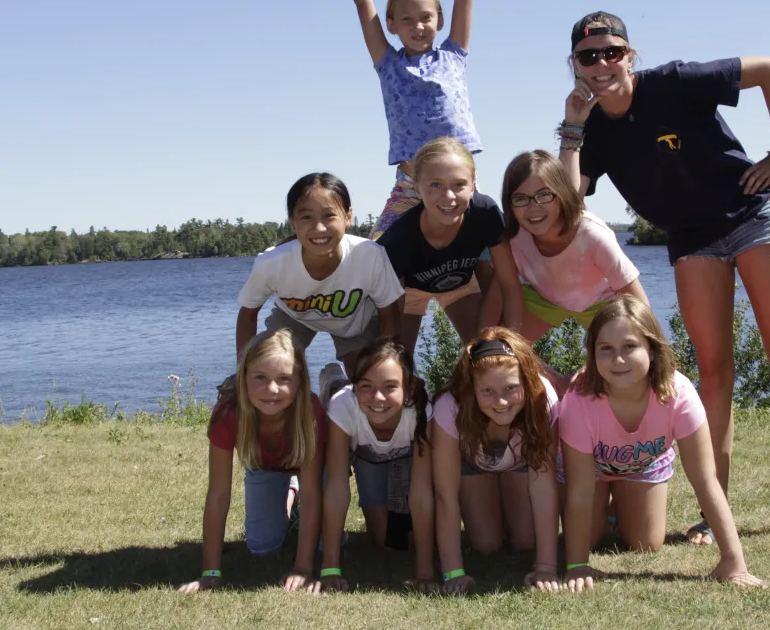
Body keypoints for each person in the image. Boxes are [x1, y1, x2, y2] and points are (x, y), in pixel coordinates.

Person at [557, 10, 770, 541]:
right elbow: (569, 202)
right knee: (713, 370)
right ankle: (718, 509)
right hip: (692, 239)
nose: (601, 64)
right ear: (573, 64)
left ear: (631, 54)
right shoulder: (592, 128)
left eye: (612, 52)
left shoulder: (675, 81)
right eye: (588, 56)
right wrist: (574, 127)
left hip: (751, 215)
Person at [558, 296, 765, 592]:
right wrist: (577, 565)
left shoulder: (678, 393)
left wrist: (734, 562)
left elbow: (706, 480)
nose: (618, 359)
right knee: (586, 539)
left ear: (652, 350)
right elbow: (579, 492)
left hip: (643, 465)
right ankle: (605, 505)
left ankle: (619, 503)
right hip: (589, 471)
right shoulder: (578, 401)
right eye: (606, 349)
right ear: (592, 354)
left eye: (630, 346)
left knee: (647, 544)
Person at [322, 0, 487, 240]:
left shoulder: (453, 55)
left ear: (439, 20)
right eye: (407, 19)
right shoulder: (389, 65)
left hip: (458, 188)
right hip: (410, 186)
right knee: (374, 256)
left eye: (426, 17)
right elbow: (362, 2)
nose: (418, 26)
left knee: (486, 252)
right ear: (392, 24)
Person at [178, 329, 327, 594]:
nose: (272, 389)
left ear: (300, 381)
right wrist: (210, 572)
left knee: (325, 543)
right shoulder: (228, 412)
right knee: (262, 546)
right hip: (264, 467)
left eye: (284, 379)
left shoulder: (310, 411)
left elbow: (314, 495)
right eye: (260, 377)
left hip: (312, 470)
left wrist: (303, 568)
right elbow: (218, 495)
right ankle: (290, 493)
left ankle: (296, 489)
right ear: (243, 377)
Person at [489, 150, 648, 371]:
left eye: (544, 195)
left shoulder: (592, 236)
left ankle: (586, 381)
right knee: (501, 353)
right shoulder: (511, 238)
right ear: (509, 203)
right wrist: (489, 342)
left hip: (601, 303)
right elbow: (504, 290)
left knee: (623, 359)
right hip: (545, 298)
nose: (533, 207)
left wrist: (655, 349)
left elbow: (637, 299)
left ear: (561, 194)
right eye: (520, 198)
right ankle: (556, 386)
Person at [431, 328, 561, 595]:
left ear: (526, 381)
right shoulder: (450, 407)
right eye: (487, 390)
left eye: (511, 388)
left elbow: (544, 485)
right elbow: (446, 494)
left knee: (526, 541)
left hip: (521, 465)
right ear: (472, 387)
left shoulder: (543, 400)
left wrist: (546, 566)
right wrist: (453, 572)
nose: (501, 401)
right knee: (486, 545)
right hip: (473, 468)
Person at [236, 173, 404, 375]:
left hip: (356, 322)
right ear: (292, 223)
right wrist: (242, 370)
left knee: (364, 377)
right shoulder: (271, 263)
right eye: (306, 217)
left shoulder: (369, 256)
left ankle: (335, 384)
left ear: (348, 216)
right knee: (274, 370)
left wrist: (381, 366)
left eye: (329, 215)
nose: (319, 228)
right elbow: (248, 313)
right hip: (294, 318)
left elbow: (390, 315)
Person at [377, 137, 523, 353]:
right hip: (408, 291)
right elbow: (389, 318)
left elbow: (509, 284)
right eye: (436, 185)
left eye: (458, 184)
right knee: (400, 359)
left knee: (487, 353)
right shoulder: (399, 239)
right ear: (417, 188)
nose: (448, 197)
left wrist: (514, 345)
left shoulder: (485, 213)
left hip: (459, 285)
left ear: (473, 186)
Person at [319, 338, 437, 593]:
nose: (379, 396)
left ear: (410, 388)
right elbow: (338, 485)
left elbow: (422, 491)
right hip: (364, 457)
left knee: (404, 543)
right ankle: (333, 383)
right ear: (355, 387)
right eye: (366, 385)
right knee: (383, 544)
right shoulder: (344, 406)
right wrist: (330, 569)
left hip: (402, 459)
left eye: (390, 386)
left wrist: (425, 573)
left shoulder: (420, 412)